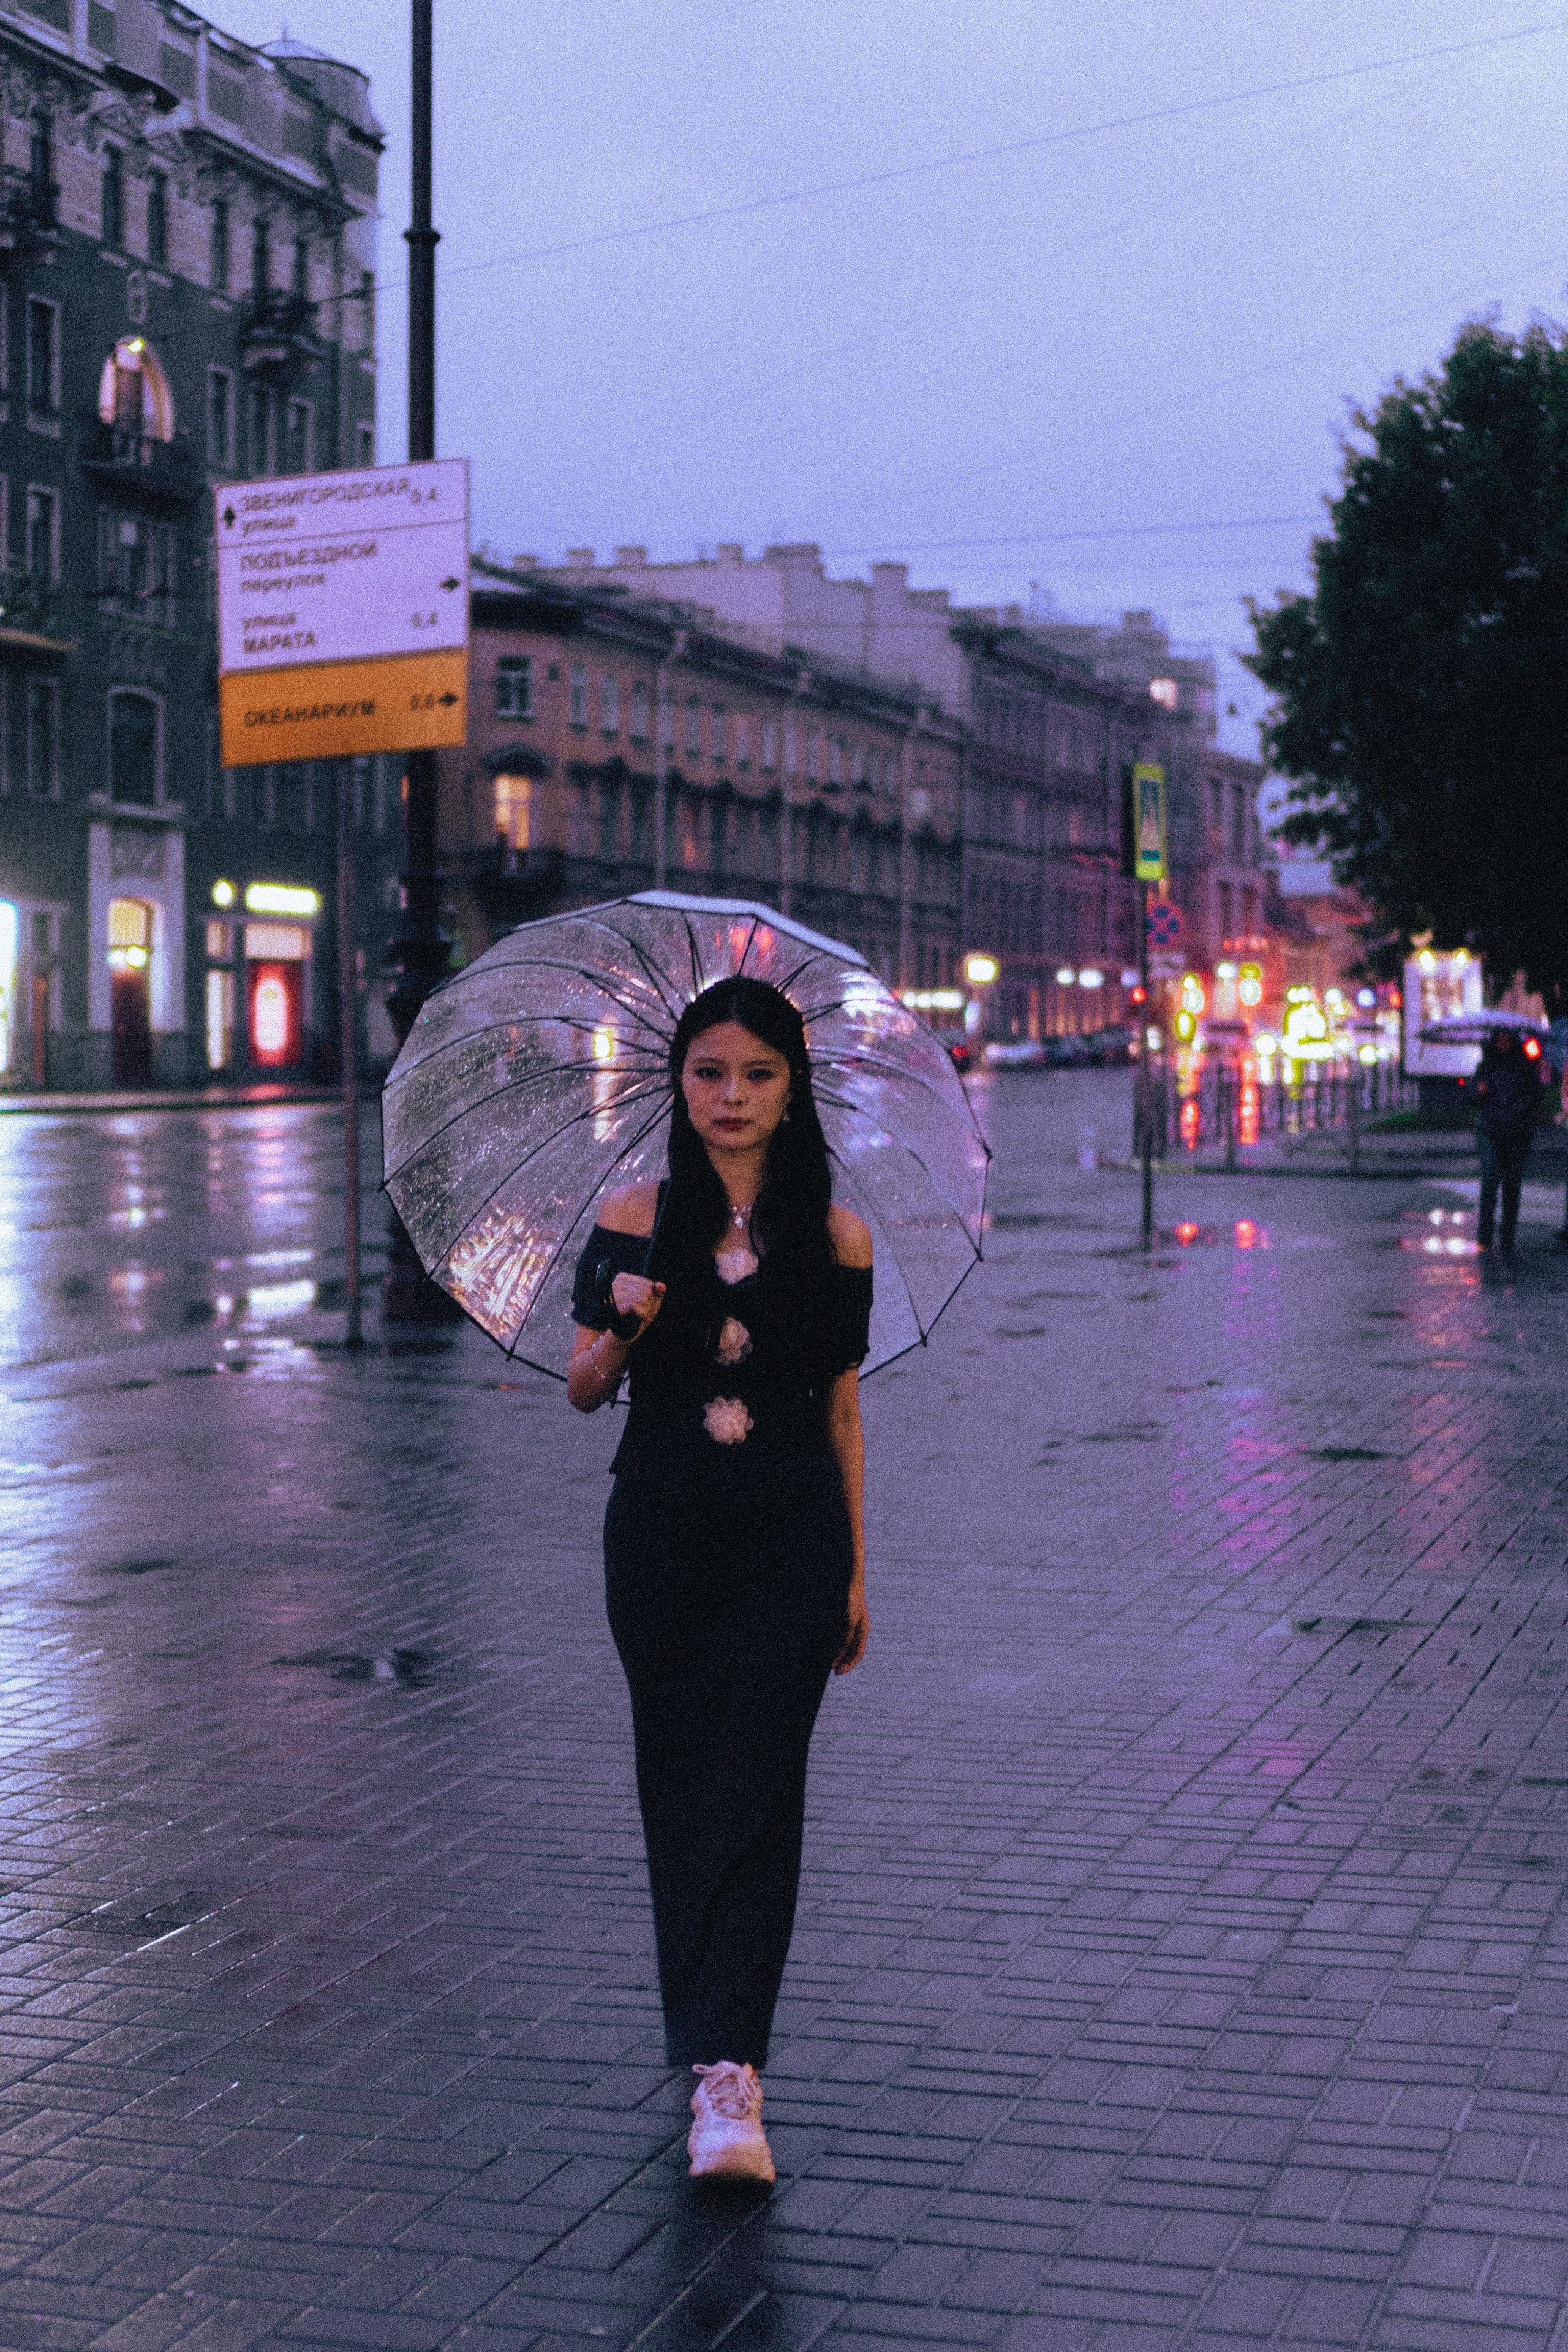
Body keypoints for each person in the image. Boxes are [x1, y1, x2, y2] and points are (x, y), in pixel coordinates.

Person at [567, 976, 872, 2185]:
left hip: (793, 1543)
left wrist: (857, 1574)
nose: (731, 1096)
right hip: (661, 1538)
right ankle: (707, 2050)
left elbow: (841, 1413)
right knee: (683, 1787)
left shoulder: (834, 1238)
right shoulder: (634, 1216)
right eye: (709, 1073)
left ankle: (731, 2081)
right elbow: (581, 1390)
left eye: (756, 1074)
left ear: (792, 1090)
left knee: (757, 1786)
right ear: (678, 1083)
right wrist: (623, 1325)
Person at [1472, 1027, 1545, 1256]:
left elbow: (1537, 1095)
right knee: (1490, 1177)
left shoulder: (1525, 1067)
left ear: (1514, 1042)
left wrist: (1518, 1109)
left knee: (1512, 1184)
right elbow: (1472, 1096)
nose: (1503, 1044)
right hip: (1490, 1131)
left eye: (1507, 1040)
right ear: (1494, 1042)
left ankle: (1508, 1235)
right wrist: (1480, 1091)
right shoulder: (1486, 1066)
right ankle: (1485, 1233)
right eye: (1500, 1040)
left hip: (1517, 1132)